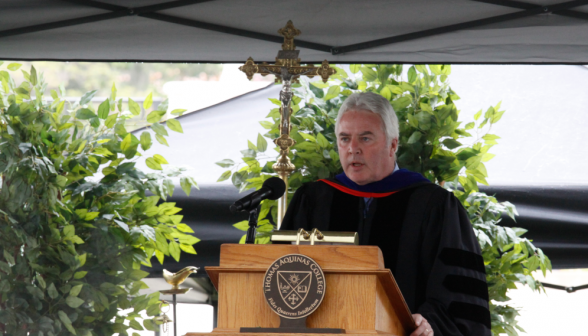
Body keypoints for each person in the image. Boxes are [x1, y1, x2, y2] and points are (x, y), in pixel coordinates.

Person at [281, 92, 491, 336]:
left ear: (393, 144)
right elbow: (284, 274)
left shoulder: (434, 205)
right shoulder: (313, 199)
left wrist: (430, 322)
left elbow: (459, 294)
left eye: (365, 138)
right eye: (345, 138)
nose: (353, 149)